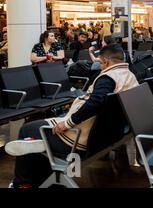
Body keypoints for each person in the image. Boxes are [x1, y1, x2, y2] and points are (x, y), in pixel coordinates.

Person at [5, 44, 139, 188]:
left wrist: (67, 123)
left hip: (79, 138)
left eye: (100, 63)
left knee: (27, 130)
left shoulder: (108, 78)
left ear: (106, 61)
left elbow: (96, 102)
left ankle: (21, 183)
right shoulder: (129, 76)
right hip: (106, 135)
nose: (99, 66)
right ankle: (39, 168)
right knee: (37, 140)